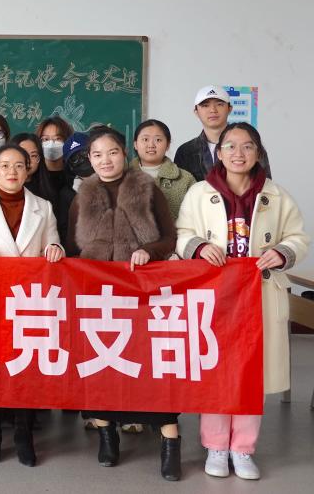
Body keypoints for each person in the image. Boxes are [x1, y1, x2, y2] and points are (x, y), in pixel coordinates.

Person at [176, 123, 308, 481]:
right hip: (216, 294)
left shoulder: (276, 195)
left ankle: (243, 448)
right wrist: (199, 247)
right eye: (230, 146)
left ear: (258, 153)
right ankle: (216, 445)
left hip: (258, 294)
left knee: (252, 373)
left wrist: (282, 252)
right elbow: (182, 234)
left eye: (247, 146)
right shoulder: (199, 193)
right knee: (217, 370)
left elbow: (298, 237)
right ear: (219, 153)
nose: (239, 153)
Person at [66, 126, 181, 481]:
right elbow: (71, 247)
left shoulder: (147, 188)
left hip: (143, 294)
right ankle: (107, 436)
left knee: (152, 370)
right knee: (102, 367)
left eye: (112, 152)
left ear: (124, 153)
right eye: (97, 155)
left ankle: (170, 444)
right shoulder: (82, 196)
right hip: (97, 296)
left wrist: (149, 251)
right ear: (89, 159)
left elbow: (170, 236)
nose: (105, 160)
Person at [0, 143, 64, 467]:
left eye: (19, 165)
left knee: (26, 370)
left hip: (28, 302)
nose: (12, 172)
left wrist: (56, 250)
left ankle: (24, 434)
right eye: (5, 166)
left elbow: (53, 243)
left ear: (28, 171)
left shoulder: (43, 207)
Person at [173, 85, 271, 182]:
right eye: (205, 105)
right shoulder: (185, 152)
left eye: (219, 104)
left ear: (229, 109)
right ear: (196, 112)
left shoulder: (251, 147)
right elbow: (181, 189)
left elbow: (265, 185)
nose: (213, 110)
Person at [131, 119, 195, 220]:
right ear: (135, 144)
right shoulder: (122, 176)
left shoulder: (185, 179)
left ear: (168, 145)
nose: (151, 145)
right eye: (145, 139)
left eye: (158, 140)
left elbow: (196, 217)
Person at [56, 131, 91, 248]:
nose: (82, 160)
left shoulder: (112, 184)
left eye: (85, 154)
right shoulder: (67, 194)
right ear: (69, 166)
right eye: (75, 159)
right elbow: (64, 232)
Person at [11, 132, 58, 206]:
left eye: (33, 156)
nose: (28, 160)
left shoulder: (48, 190)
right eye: (23, 154)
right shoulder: (1, 189)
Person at [36, 116, 74, 190]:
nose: (51, 144)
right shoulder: (33, 176)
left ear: (67, 141)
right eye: (45, 139)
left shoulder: (75, 176)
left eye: (57, 138)